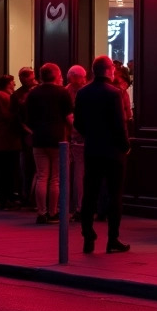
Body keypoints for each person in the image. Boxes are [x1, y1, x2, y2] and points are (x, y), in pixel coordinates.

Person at [74, 55, 131, 254]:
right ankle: (113, 239)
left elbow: (78, 123)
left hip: (92, 149)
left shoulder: (83, 93)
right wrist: (125, 146)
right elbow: (119, 124)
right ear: (108, 70)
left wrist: (91, 135)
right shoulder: (114, 93)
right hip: (113, 151)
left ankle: (88, 235)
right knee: (115, 195)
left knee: (90, 193)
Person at [25, 63, 73, 223]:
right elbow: (69, 117)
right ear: (56, 75)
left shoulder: (33, 93)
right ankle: (53, 211)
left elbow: (28, 118)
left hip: (39, 138)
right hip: (58, 139)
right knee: (55, 178)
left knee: (42, 176)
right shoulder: (62, 92)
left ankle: (41, 212)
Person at [0, 74, 21, 209]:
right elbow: (8, 115)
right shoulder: (4, 97)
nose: (14, 85)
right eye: (12, 82)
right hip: (6, 140)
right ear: (7, 84)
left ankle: (5, 198)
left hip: (0, 140)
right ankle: (6, 199)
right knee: (7, 170)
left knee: (2, 170)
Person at [12, 67, 38, 209]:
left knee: (30, 169)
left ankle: (28, 196)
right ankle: (28, 196)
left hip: (28, 133)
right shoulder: (19, 95)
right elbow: (17, 118)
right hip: (29, 134)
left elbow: (16, 117)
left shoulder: (18, 95)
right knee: (29, 168)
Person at [64, 65, 88, 220]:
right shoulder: (68, 92)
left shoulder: (69, 91)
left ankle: (78, 206)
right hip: (77, 138)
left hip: (75, 137)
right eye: (81, 77)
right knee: (79, 172)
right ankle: (79, 206)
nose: (83, 80)